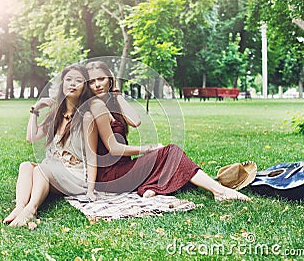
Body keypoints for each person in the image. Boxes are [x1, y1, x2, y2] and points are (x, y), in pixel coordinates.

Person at [85, 61, 251, 201]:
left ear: (110, 80)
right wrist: (149, 148)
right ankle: (220, 191)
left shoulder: (111, 102)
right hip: (112, 176)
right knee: (171, 152)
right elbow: (114, 149)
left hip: (122, 169)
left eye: (102, 79)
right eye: (92, 81)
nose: (98, 84)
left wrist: (117, 95)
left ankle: (152, 187)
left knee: (173, 163)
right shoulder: (96, 106)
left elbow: (135, 121)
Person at [3, 64, 98, 227]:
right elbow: (31, 137)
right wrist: (35, 110)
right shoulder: (56, 114)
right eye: (68, 80)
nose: (73, 84)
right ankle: (20, 207)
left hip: (74, 175)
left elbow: (92, 156)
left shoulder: (86, 117)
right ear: (62, 85)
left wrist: (90, 189)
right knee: (25, 166)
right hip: (52, 171)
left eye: (78, 80)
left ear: (84, 87)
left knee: (41, 169)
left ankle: (31, 210)